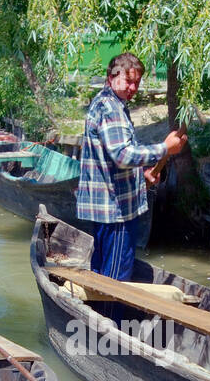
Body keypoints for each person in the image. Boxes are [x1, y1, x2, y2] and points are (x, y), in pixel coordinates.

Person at [76, 52, 186, 280]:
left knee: (104, 274)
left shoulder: (110, 104)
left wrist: (142, 174)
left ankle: (100, 313)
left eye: (137, 82)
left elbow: (115, 156)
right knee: (115, 279)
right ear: (111, 77)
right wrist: (165, 149)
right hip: (115, 212)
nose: (133, 87)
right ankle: (109, 317)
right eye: (129, 80)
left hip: (110, 208)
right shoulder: (110, 108)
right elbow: (122, 155)